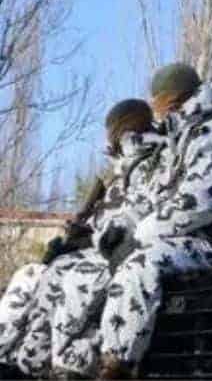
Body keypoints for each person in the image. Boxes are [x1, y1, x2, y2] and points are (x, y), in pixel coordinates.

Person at [97, 64, 212, 379]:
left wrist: (140, 235)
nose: (154, 110)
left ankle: (117, 369)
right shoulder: (183, 137)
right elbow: (157, 196)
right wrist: (124, 226)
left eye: (158, 101)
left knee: (138, 266)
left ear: (173, 100)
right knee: (94, 273)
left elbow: (199, 202)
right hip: (185, 240)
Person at [0, 99, 162, 379]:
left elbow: (131, 224)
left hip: (120, 261)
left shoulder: (153, 166)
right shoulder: (119, 177)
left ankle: (43, 366)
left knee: (71, 282)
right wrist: (73, 240)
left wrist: (90, 243)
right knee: (29, 275)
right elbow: (100, 226)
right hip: (90, 257)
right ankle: (10, 357)